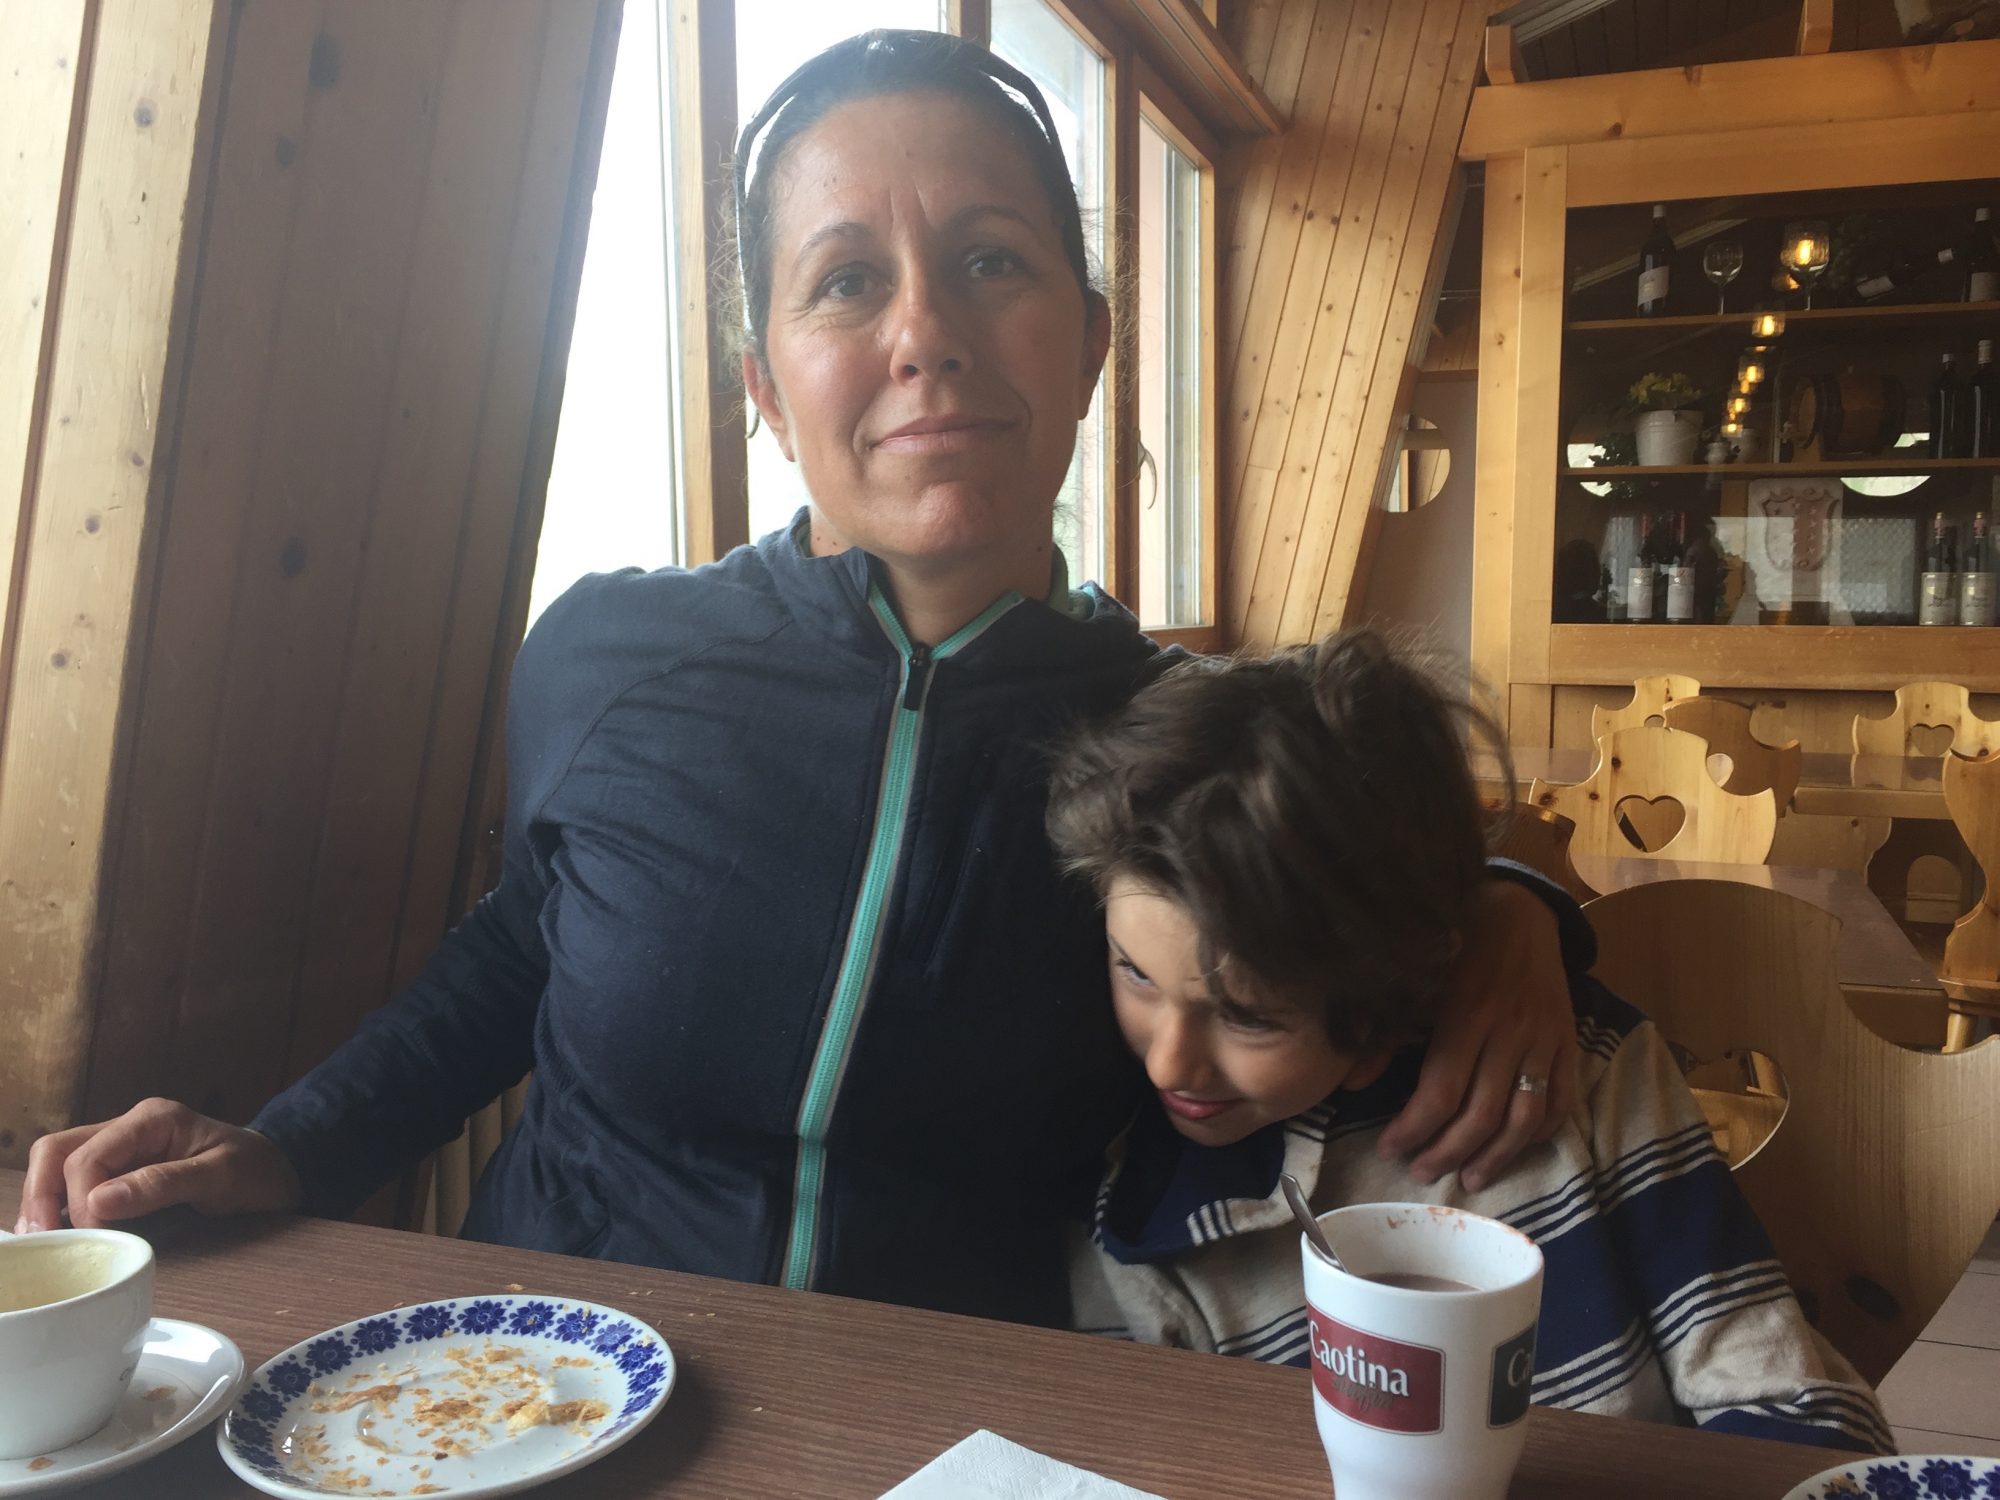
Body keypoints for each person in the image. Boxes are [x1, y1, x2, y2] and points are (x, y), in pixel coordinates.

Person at [17, 32, 1579, 1330]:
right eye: (844, 283)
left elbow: (1341, 883)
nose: (926, 335)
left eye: (989, 261)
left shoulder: (1171, 732)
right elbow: (515, 958)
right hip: (530, 1375)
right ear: (765, 385)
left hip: (955, 1422)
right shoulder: (607, 652)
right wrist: (285, 1148)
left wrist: (1516, 910)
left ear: (1093, 344)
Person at [1050, 632, 1891, 1453]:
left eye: (1249, 1016)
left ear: (1391, 994)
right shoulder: (1142, 1219)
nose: (1167, 1062)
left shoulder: (1586, 1070)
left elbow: (1787, 1402)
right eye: (1135, 973)